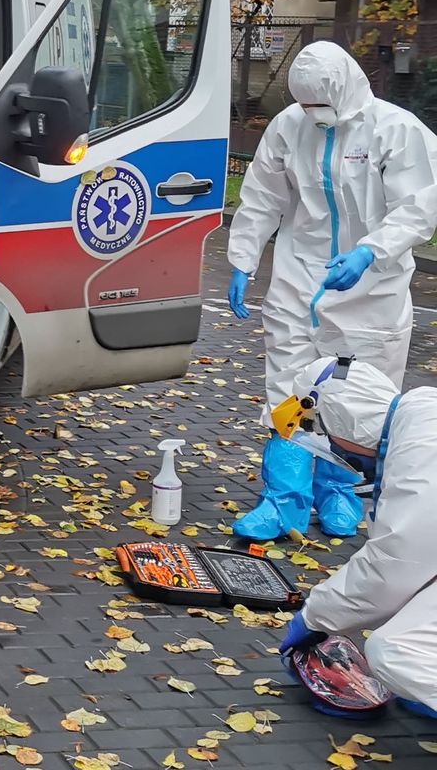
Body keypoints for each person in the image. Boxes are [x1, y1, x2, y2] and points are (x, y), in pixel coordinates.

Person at [226, 40, 437, 541]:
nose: (313, 115)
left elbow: (418, 207)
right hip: (301, 276)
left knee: (358, 396)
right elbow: (261, 195)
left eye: (320, 105)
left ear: (347, 91)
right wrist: (243, 257)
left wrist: (371, 250)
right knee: (287, 388)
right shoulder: (288, 127)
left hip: (372, 289)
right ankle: (283, 502)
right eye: (304, 105)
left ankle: (340, 492)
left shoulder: (396, 130)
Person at [278, 356, 437, 717]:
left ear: (341, 419)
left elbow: (394, 567)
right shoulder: (421, 415)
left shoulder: (419, 453)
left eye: (326, 433)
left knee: (398, 651)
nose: (334, 448)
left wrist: (314, 616)